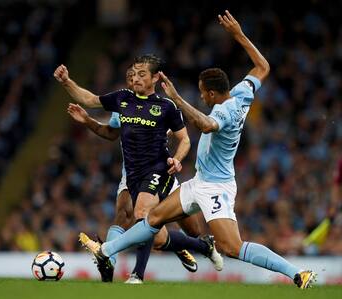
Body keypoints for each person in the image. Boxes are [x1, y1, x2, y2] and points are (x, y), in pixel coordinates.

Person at [79, 11, 317, 289]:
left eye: (203, 93)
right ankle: (106, 250)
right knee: (153, 217)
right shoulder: (242, 92)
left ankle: (297, 273)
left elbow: (204, 125)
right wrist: (238, 34)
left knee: (232, 247)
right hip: (199, 181)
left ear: (213, 94)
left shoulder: (226, 111)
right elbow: (262, 67)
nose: (202, 97)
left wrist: (177, 99)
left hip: (217, 187)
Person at [55, 56, 222, 284]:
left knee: (149, 216)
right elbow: (90, 100)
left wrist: (177, 159)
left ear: (155, 78)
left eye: (142, 74)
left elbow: (184, 140)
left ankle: (135, 273)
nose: (136, 78)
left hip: (160, 169)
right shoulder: (122, 99)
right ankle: (201, 246)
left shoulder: (166, 106)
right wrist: (67, 82)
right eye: (133, 74)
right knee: (159, 236)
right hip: (133, 174)